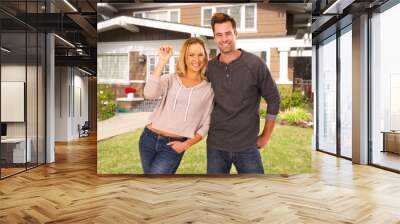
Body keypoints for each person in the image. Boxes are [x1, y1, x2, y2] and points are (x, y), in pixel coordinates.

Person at [206, 13, 281, 174]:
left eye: (228, 33)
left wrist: (265, 137)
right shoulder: (209, 68)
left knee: (256, 194)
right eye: (219, 34)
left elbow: (274, 99)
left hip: (247, 147)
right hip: (216, 146)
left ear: (236, 33)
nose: (224, 39)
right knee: (214, 195)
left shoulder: (255, 64)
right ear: (214, 37)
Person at [139, 37, 214, 174]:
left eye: (200, 55)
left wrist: (186, 145)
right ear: (184, 57)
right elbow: (149, 93)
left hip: (173, 145)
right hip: (148, 138)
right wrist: (162, 62)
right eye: (191, 54)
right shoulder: (171, 79)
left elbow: (207, 124)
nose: (196, 59)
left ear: (205, 57)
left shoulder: (209, 89)